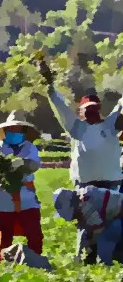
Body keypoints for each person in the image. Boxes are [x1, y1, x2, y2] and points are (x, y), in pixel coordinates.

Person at [43, 75, 122, 264]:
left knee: (112, 218)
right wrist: (50, 87)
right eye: (87, 109)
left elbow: (121, 106)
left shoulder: (110, 126)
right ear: (81, 111)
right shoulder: (76, 127)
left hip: (110, 182)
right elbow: (61, 108)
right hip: (85, 184)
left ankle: (111, 254)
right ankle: (88, 256)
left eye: (94, 109)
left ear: (99, 109)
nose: (91, 112)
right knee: (86, 222)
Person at [0, 112, 44, 257]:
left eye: (18, 130)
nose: (15, 132)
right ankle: (4, 263)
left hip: (26, 199)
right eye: (11, 130)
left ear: (24, 131)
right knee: (4, 235)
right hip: (2, 199)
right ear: (6, 131)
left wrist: (24, 163)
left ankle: (34, 261)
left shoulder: (30, 148)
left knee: (34, 234)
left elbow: (35, 164)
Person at [52, 185, 123, 264]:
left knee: (104, 239)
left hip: (119, 218)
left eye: (74, 215)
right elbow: (84, 231)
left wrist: (85, 250)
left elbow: (98, 230)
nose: (75, 218)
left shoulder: (86, 205)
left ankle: (107, 266)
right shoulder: (84, 196)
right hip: (115, 217)